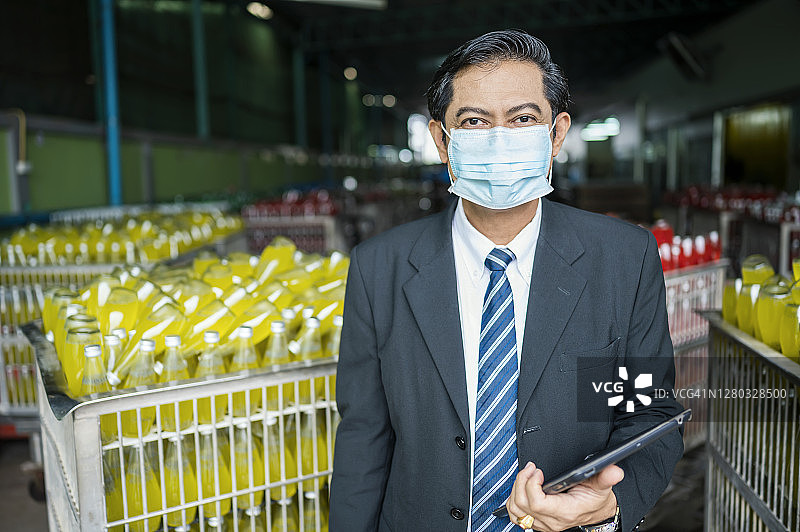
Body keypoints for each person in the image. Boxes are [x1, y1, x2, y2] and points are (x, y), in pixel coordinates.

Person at [329, 29, 683, 532]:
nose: (499, 138)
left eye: (522, 119)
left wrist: (611, 504)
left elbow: (648, 415)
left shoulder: (623, 259)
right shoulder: (379, 267)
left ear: (556, 134)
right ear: (441, 140)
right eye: (474, 121)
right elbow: (364, 433)